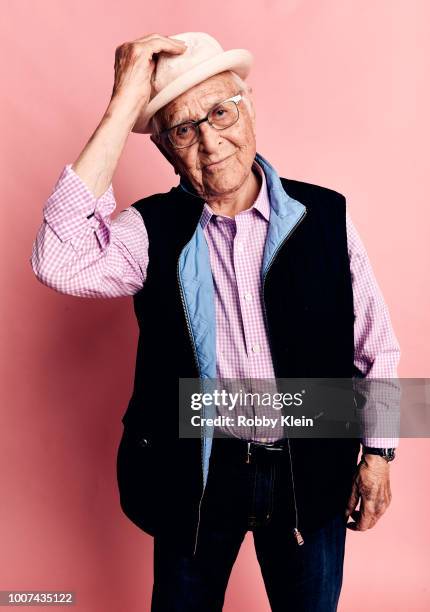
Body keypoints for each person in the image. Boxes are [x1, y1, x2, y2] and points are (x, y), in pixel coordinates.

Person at [30, 31, 401, 611]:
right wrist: (122, 107)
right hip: (196, 475)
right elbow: (58, 258)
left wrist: (379, 454)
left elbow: (377, 347)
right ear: (166, 149)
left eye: (220, 112)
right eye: (183, 128)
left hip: (308, 467)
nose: (209, 141)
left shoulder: (325, 215)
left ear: (247, 106)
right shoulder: (148, 231)